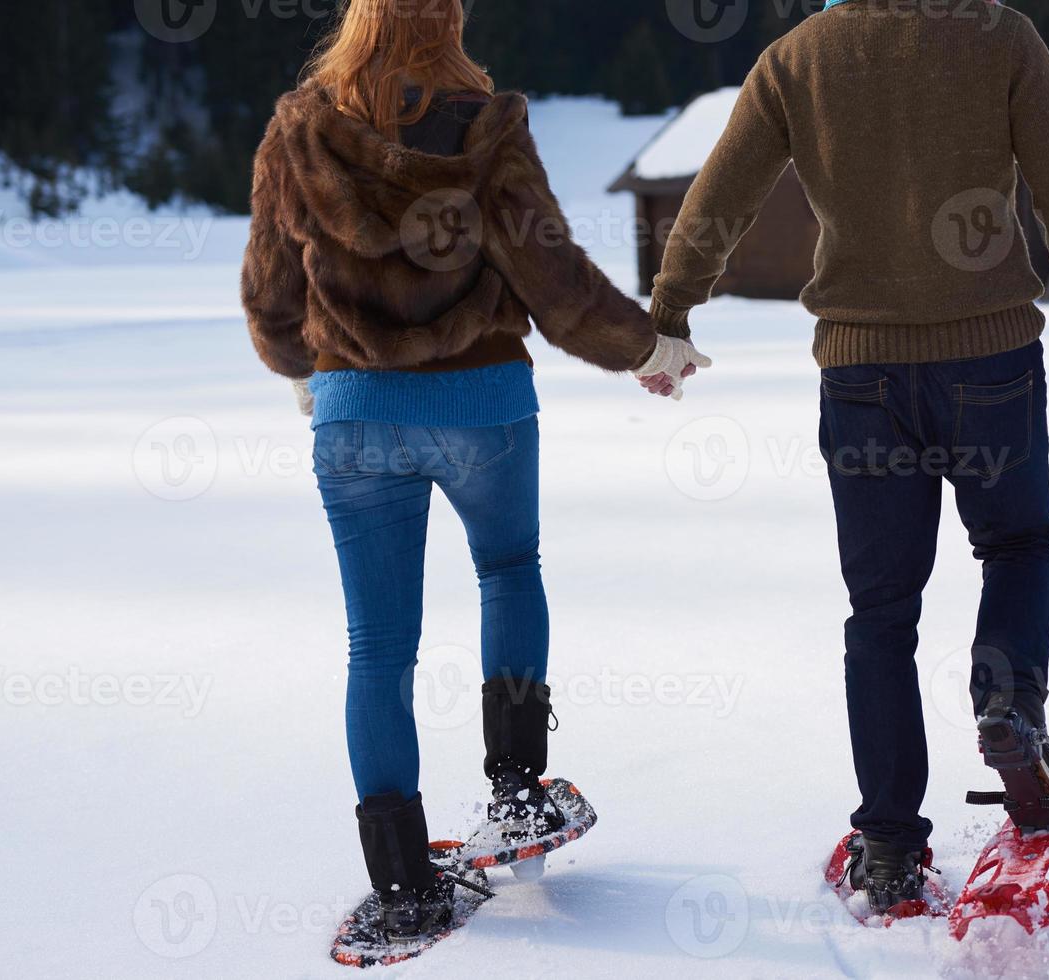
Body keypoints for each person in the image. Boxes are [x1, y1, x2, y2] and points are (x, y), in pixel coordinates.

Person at [240, 0, 709, 942]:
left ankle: (404, 882)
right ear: (445, 21)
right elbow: (550, 274)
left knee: (376, 647)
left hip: (355, 416)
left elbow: (269, 292)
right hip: (483, 403)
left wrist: (305, 375)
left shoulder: (299, 128)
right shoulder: (487, 126)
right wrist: (645, 349)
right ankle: (515, 792)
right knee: (507, 570)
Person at [650, 0, 1049, 912]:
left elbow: (720, 193)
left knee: (879, 612)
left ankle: (887, 846)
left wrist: (671, 311)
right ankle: (1010, 709)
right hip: (988, 361)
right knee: (1017, 548)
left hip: (861, 375)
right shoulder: (997, 33)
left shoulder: (797, 56)